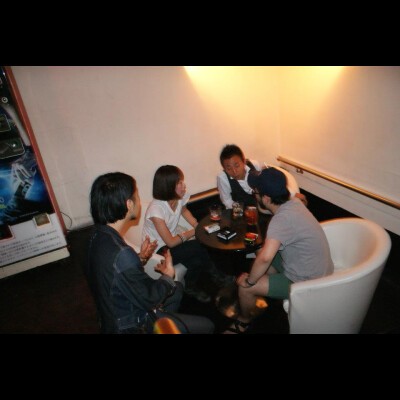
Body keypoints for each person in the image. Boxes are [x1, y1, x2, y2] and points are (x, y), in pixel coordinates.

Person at [85, 172, 214, 334]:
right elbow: (149, 299)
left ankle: (167, 324)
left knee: (178, 288)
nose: (139, 202)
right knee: (208, 326)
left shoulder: (96, 236)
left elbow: (116, 275)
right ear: (129, 204)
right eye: (137, 196)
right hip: (131, 324)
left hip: (112, 313)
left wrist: (140, 258)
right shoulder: (123, 254)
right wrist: (167, 275)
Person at [224, 167, 334, 334]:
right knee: (261, 251)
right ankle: (268, 287)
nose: (254, 195)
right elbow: (265, 253)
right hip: (316, 267)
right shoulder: (294, 203)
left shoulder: (280, 221)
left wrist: (250, 281)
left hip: (307, 281)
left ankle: (243, 322)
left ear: (266, 198)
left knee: (246, 286)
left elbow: (265, 258)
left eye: (255, 192)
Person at [142, 165, 233, 303]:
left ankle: (190, 286)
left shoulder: (178, 197)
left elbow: (184, 210)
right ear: (168, 186)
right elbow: (170, 242)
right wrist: (195, 231)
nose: (184, 185)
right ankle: (218, 276)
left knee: (196, 259)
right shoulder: (156, 209)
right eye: (179, 183)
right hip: (157, 250)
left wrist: (197, 225)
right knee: (199, 245)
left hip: (172, 244)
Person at [217, 144, 307, 210]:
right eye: (229, 168)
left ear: (244, 161)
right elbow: (227, 201)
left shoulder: (254, 165)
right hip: (244, 212)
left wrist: (292, 194)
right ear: (224, 168)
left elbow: (270, 181)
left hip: (265, 206)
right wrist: (242, 210)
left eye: (237, 166)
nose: (234, 171)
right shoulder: (223, 178)